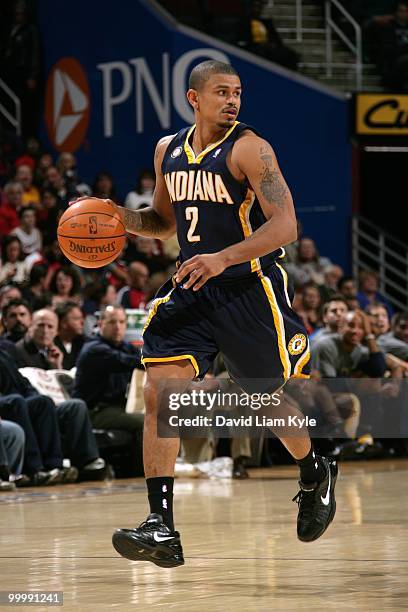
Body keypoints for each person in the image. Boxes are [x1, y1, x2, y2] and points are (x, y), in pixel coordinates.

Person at [72, 61, 338, 565]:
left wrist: (223, 256)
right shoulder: (167, 150)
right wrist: (117, 217)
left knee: (262, 398)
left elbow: (286, 227)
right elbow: (162, 220)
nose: (233, 100)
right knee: (159, 395)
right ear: (194, 99)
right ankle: (161, 526)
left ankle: (314, 468)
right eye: (221, 92)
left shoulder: (250, 148)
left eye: (237, 92)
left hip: (247, 288)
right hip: (192, 288)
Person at [13, 309, 106, 480]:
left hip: (53, 403)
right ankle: (55, 465)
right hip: (34, 406)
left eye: (50, 326)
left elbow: (61, 383)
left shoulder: (55, 352)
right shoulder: (17, 351)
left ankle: (87, 461)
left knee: (76, 405)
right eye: (40, 325)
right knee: (50, 404)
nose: (45, 330)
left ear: (56, 331)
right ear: (30, 327)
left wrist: (56, 365)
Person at [73, 305, 144, 447]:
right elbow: (131, 361)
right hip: (95, 410)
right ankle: (148, 469)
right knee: (149, 422)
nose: (118, 327)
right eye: (112, 322)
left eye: (122, 322)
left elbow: (142, 360)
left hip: (120, 407)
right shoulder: (94, 349)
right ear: (100, 324)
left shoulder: (126, 347)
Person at [54, 301, 91, 369]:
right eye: (77, 319)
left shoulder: (84, 343)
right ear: (63, 323)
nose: (82, 322)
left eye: (82, 318)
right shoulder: (52, 344)